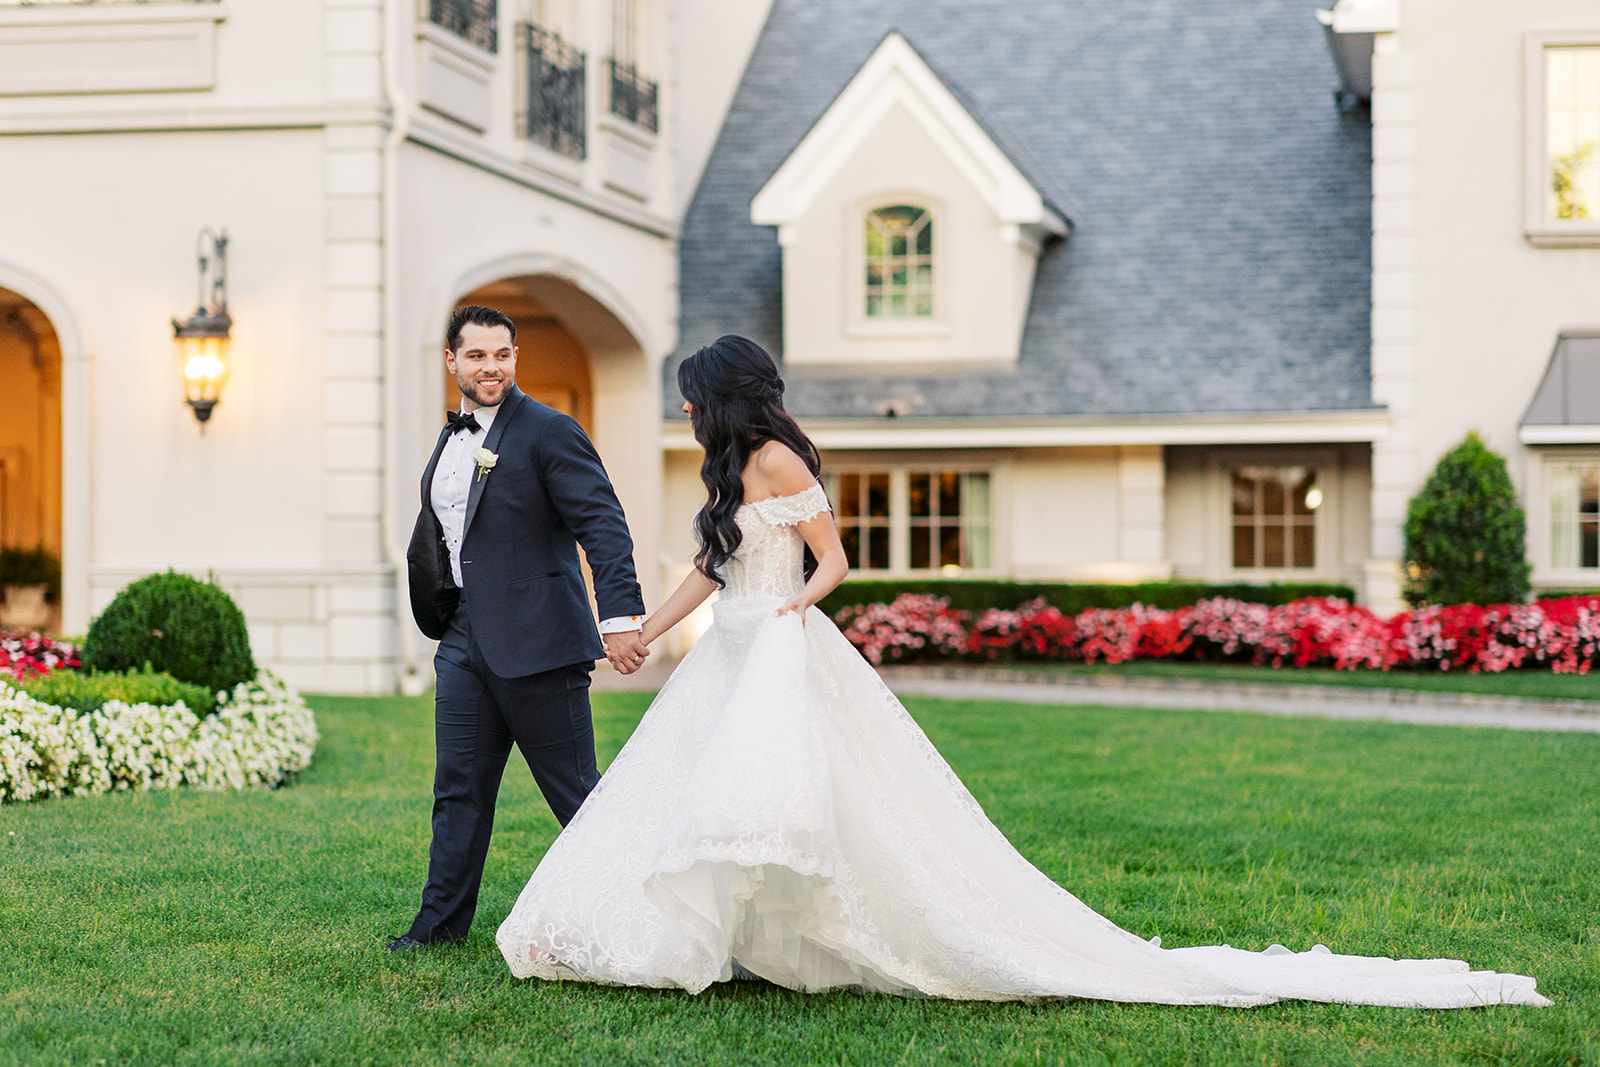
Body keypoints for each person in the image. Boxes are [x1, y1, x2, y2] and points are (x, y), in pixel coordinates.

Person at [493, 335, 1549, 1007]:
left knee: (793, 801)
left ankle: (785, 937)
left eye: (688, 399)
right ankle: (717, 940)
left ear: (719, 399)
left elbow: (836, 561)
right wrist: (625, 633)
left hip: (778, 646)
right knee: (695, 793)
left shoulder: (780, 462)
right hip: (726, 651)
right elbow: (707, 573)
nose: (681, 412)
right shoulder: (727, 475)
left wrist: (790, 613)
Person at [390, 305, 652, 952]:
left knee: (576, 795)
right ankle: (437, 928)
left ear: (514, 357)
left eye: (502, 354)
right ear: (451, 361)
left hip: (540, 642)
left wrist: (619, 618)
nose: (492, 367)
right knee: (457, 792)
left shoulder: (548, 430)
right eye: (477, 355)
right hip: (462, 640)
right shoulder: (453, 435)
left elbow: (604, 525)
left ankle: (640, 920)